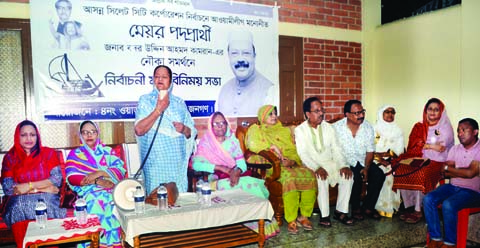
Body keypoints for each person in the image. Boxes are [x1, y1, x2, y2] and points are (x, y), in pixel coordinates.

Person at [192, 111, 280, 238]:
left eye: (223, 123)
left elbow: (242, 163)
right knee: (236, 185)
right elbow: (196, 164)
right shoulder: (206, 143)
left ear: (227, 125)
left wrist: (237, 171)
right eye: (216, 124)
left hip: (235, 175)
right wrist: (221, 168)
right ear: (211, 126)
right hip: (215, 178)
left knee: (252, 184)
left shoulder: (233, 142)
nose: (220, 126)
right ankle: (235, 226)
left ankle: (256, 224)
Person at [246, 105, 317, 234]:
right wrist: (272, 147)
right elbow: (252, 144)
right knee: (290, 178)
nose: (274, 116)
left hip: (289, 164)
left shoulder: (284, 131)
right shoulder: (257, 129)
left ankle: (304, 216)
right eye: (270, 114)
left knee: (309, 174)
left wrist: (292, 161)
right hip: (272, 167)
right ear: (262, 116)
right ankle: (291, 219)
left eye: (275, 113)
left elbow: (293, 150)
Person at [1, 120, 66, 247]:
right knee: (18, 206)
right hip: (19, 204)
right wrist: (43, 187)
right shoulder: (10, 157)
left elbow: (57, 180)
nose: (29, 138)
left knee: (45, 205)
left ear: (37, 136)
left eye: (32, 134)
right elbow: (8, 188)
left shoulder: (48, 153)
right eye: (24, 135)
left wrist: (28, 186)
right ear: (17, 136)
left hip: (46, 200)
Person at [135, 65, 197, 194]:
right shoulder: (145, 101)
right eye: (157, 77)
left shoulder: (179, 103)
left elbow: (191, 131)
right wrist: (158, 109)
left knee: (178, 198)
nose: (160, 80)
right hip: (155, 160)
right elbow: (139, 130)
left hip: (176, 161)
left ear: (170, 80)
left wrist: (184, 129)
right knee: (156, 198)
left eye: (164, 77)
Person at [392, 98, 454, 224]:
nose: (432, 112)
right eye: (430, 109)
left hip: (437, 161)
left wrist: (425, 145)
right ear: (426, 111)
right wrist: (430, 145)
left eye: (436, 110)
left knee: (421, 173)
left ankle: (418, 209)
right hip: (419, 157)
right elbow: (413, 144)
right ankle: (409, 206)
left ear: (441, 112)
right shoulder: (419, 125)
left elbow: (441, 147)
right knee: (401, 169)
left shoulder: (445, 127)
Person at [294, 97, 354, 227]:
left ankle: (340, 212)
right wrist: (316, 167)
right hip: (311, 165)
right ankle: (324, 215)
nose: (321, 113)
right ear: (308, 114)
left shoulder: (329, 127)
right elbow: (302, 154)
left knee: (348, 175)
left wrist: (343, 165)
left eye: (322, 110)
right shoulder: (300, 130)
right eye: (317, 111)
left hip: (331, 163)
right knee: (321, 177)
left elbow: (337, 149)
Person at [66, 120, 125, 248]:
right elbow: (73, 177)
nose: (89, 135)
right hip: (88, 191)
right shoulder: (76, 154)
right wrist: (98, 181)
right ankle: (93, 244)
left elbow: (119, 171)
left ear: (98, 133)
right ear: (80, 135)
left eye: (93, 132)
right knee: (96, 200)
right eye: (85, 132)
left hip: (111, 188)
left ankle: (112, 244)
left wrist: (98, 173)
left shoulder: (108, 151)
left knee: (112, 200)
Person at [423, 118, 480, 248]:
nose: (460, 133)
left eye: (464, 130)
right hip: (453, 186)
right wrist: (463, 171)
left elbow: (471, 173)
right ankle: (436, 239)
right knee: (428, 198)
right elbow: (445, 172)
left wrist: (454, 170)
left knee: (449, 204)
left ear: (475, 131)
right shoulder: (455, 149)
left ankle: (450, 243)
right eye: (458, 130)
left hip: (473, 192)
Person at [333, 99, 385, 220]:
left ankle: (368, 207)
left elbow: (370, 150)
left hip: (363, 160)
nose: (361, 115)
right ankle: (355, 208)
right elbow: (333, 150)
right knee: (354, 174)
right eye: (357, 113)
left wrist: (366, 168)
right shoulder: (336, 128)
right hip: (344, 162)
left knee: (379, 175)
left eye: (362, 112)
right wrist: (342, 164)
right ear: (347, 114)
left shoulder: (367, 127)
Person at [216, 30, 275, 116]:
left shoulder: (269, 90)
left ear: (254, 56)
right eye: (234, 53)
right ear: (229, 56)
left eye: (246, 53)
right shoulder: (224, 90)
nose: (240, 59)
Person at [373, 105, 404, 217]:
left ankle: (392, 205)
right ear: (381, 113)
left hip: (393, 159)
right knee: (382, 171)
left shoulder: (398, 130)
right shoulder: (374, 129)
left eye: (392, 112)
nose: (390, 114)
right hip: (375, 159)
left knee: (392, 170)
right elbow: (370, 149)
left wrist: (388, 156)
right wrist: (380, 159)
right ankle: (380, 206)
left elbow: (399, 150)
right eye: (387, 112)